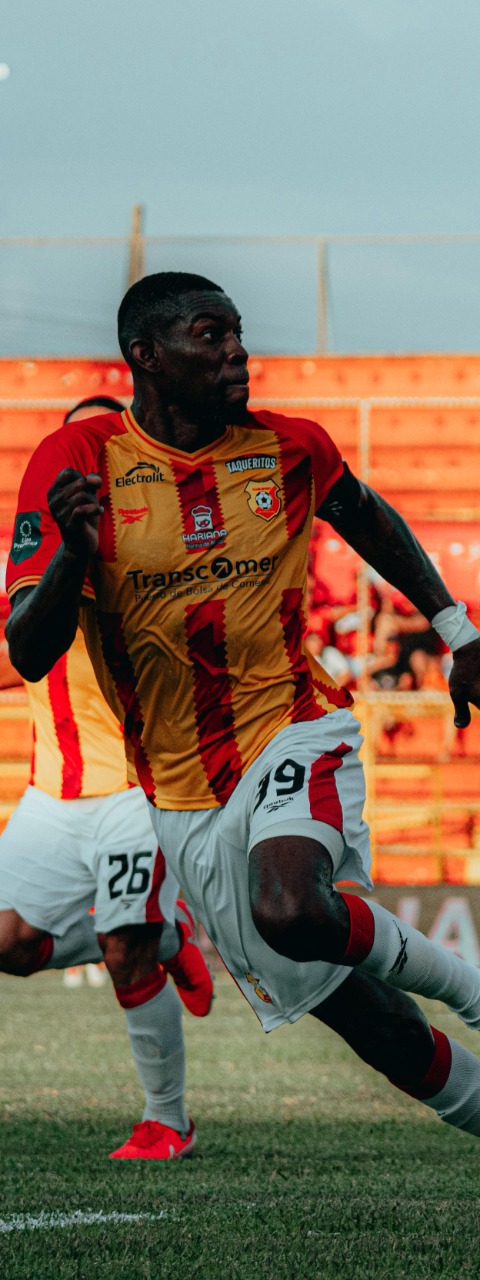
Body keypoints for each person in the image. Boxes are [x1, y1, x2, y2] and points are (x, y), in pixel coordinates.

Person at [6, 274, 480, 1247]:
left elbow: (370, 515)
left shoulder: (290, 445)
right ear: (146, 356)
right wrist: (78, 559)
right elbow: (28, 647)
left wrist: (460, 633)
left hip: (295, 725)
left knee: (292, 903)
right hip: (180, 792)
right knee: (377, 1032)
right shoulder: (77, 460)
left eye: (239, 334)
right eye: (211, 337)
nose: (237, 353)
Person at [0, 394, 215, 1161]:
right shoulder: (27, 551)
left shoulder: (159, 543)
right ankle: (168, 932)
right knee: (11, 945)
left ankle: (168, 1120)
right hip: (52, 786)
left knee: (124, 949)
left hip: (137, 782)